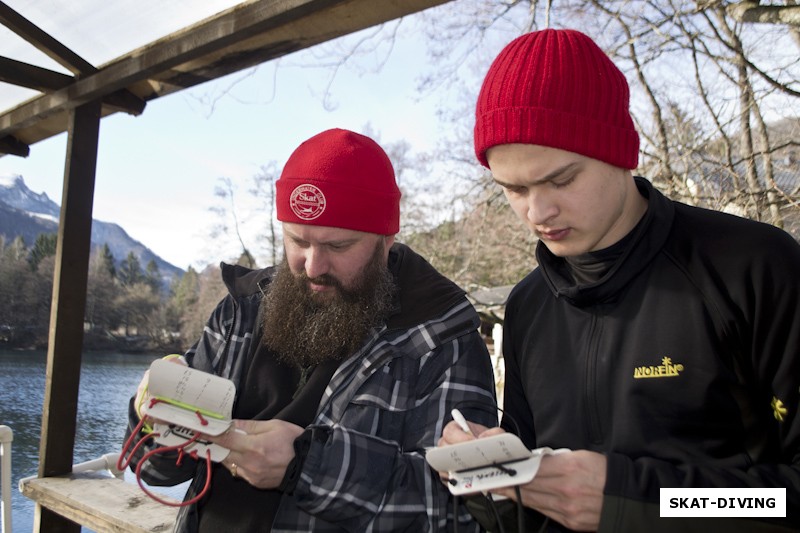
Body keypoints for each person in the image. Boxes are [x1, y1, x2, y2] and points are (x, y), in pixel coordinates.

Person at [434, 28, 800, 532]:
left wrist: (636, 500)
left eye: (561, 180)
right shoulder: (527, 306)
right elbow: (528, 509)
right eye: (513, 189)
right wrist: (490, 481)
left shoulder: (752, 266)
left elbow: (787, 497)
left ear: (620, 154)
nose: (537, 211)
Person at [124, 128, 498, 532]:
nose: (312, 266)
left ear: (386, 239)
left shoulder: (443, 341)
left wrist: (307, 466)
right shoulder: (240, 313)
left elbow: (464, 515)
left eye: (338, 246)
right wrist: (151, 414)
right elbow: (157, 473)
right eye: (297, 240)